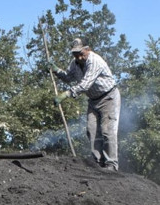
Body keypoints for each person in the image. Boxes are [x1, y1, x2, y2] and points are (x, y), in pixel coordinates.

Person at [50, 38, 121, 171]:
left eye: (80, 53)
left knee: (107, 131)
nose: (78, 56)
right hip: (93, 100)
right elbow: (69, 77)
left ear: (88, 49)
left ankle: (111, 164)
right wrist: (56, 70)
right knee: (91, 130)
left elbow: (85, 84)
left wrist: (66, 94)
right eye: (75, 53)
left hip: (108, 98)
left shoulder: (94, 61)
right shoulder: (75, 63)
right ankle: (97, 162)